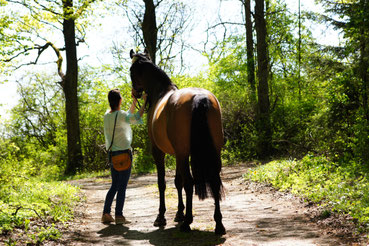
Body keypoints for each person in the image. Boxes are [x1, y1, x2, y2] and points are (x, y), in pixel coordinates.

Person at [101, 88, 147, 225]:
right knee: (122, 187)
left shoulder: (107, 116)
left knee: (114, 185)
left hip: (112, 155)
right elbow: (136, 117)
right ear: (120, 100)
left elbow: (126, 116)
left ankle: (106, 213)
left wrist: (134, 102)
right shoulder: (121, 116)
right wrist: (144, 103)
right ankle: (119, 216)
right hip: (125, 154)